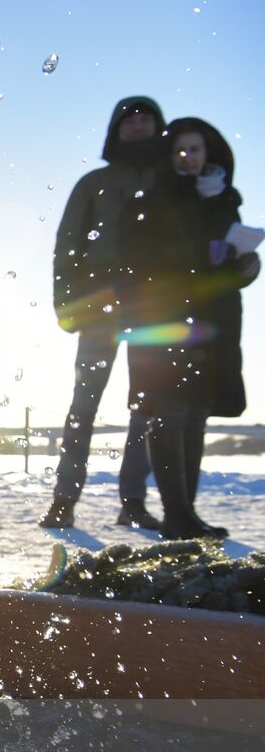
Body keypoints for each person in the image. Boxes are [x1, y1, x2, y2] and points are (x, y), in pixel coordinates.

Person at [119, 117, 259, 540]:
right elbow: (142, 259)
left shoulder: (223, 201)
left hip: (213, 321)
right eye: (180, 150)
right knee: (167, 411)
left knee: (196, 414)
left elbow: (228, 262)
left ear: (209, 152)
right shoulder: (153, 199)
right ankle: (175, 514)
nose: (188, 157)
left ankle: (187, 514)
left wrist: (245, 267)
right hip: (163, 319)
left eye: (195, 149)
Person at [40, 97, 164, 530]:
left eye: (145, 118)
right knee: (83, 404)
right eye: (128, 119)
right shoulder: (93, 184)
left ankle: (133, 501)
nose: (137, 125)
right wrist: (65, 305)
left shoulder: (172, 183)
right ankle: (64, 498)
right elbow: (67, 245)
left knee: (147, 406)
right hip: (100, 308)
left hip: (153, 307)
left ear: (158, 126)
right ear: (114, 129)